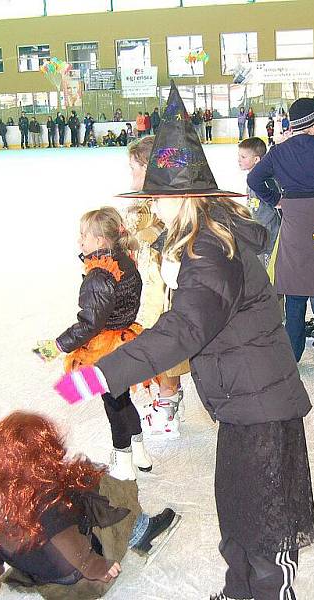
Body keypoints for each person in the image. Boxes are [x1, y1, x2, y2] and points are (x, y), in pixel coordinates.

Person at [54, 83, 314, 600]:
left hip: (259, 402)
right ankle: (239, 590)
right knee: (238, 510)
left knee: (263, 524)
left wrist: (100, 374)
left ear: (179, 196)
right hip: (243, 398)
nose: (151, 205)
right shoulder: (205, 237)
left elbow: (183, 329)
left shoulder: (208, 251)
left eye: (156, 196)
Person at [0, 411, 180, 600]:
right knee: (108, 486)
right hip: (81, 583)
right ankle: (141, 532)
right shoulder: (47, 499)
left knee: (82, 480)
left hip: (44, 579)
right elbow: (68, 542)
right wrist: (96, 567)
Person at [33, 207, 151, 480]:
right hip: (126, 339)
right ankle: (140, 451)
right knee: (123, 398)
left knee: (114, 405)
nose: (79, 241)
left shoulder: (99, 276)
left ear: (100, 241)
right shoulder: (124, 261)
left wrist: (56, 346)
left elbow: (90, 323)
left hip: (106, 348)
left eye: (84, 236)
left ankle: (123, 463)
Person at [248, 98, 314, 361]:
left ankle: (292, 355)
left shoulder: (279, 152)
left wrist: (276, 200)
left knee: (295, 296)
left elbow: (254, 179)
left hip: (295, 228)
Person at [124, 135, 188, 439]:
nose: (131, 176)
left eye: (135, 169)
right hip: (151, 287)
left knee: (163, 347)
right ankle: (169, 396)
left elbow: (163, 242)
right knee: (156, 345)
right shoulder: (145, 204)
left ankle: (167, 404)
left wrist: (138, 227)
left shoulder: (162, 206)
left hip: (163, 292)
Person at [238, 137, 281, 269]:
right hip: (257, 234)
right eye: (239, 156)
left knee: (268, 269)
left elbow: (279, 207)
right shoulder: (251, 179)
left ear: (256, 159)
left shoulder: (266, 181)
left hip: (270, 236)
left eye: (243, 157)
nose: (239, 160)